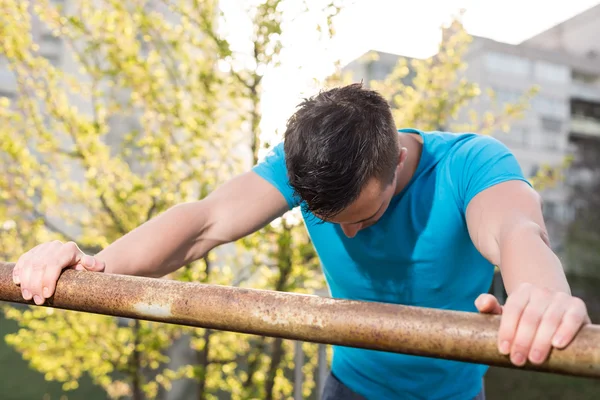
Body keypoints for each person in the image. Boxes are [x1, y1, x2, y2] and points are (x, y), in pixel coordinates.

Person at [12, 83, 590, 400]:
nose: (351, 234)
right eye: (332, 220)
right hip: (349, 388)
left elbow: (515, 230)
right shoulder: (305, 166)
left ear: (396, 164)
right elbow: (204, 222)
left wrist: (539, 295)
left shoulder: (470, 162)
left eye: (365, 214)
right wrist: (94, 263)